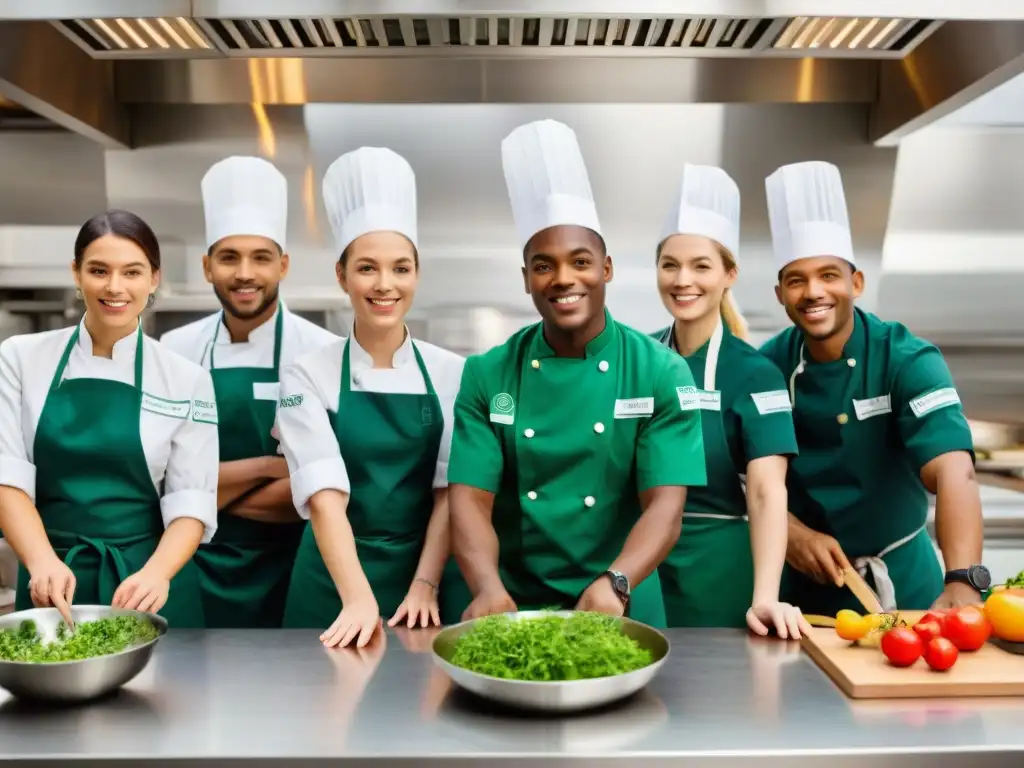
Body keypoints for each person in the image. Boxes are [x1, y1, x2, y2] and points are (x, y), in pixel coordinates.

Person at [446, 119, 707, 628]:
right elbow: (470, 501)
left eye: (580, 261)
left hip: (621, 599)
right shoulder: (487, 373)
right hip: (513, 603)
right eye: (543, 265)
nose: (563, 278)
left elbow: (665, 507)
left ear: (606, 269)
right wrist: (487, 586)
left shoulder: (661, 372)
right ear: (526, 279)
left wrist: (618, 580)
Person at [759, 160, 987, 616]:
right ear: (780, 294)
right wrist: (789, 533)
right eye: (796, 280)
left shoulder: (906, 359)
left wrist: (963, 579)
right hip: (804, 599)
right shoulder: (765, 368)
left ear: (856, 283)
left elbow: (953, 470)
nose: (813, 292)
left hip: (908, 586)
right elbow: (742, 478)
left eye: (828, 275)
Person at [275, 146, 471, 647]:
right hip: (331, 580)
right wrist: (357, 596)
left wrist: (425, 583)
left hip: (424, 573)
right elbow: (323, 496)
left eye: (401, 269)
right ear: (342, 276)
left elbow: (450, 492)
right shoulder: (307, 373)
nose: (385, 285)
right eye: (367, 268)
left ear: (417, 274)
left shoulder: (453, 372)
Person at [0, 210, 216, 627]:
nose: (115, 287)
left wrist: (156, 574)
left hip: (146, 579)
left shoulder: (186, 378)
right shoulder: (20, 358)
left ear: (154, 279)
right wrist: (41, 560)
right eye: (99, 270)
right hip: (50, 577)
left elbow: (192, 499)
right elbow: (7, 476)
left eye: (132, 272)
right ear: (76, 274)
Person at [160, 156, 337, 629]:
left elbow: (323, 491)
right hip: (192, 565)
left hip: (292, 567)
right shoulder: (174, 351)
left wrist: (199, 494)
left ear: (283, 264)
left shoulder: (321, 353)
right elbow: (159, 481)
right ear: (206, 267)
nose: (244, 273)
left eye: (260, 257)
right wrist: (267, 468)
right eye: (228, 257)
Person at [651, 164, 809, 638]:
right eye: (670, 265)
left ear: (729, 274)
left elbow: (766, 491)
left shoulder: (755, 373)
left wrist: (765, 596)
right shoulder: (639, 360)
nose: (683, 280)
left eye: (701, 266)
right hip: (640, 573)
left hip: (720, 578)